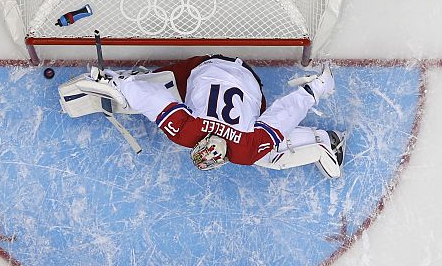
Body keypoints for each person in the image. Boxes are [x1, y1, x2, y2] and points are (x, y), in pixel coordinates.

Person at [70, 55, 346, 177]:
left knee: (267, 147)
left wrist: (316, 88)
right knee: (152, 100)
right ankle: (119, 80)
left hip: (248, 79)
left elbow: (283, 115)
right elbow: (151, 99)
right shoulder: (185, 132)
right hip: (205, 65)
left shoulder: (244, 151)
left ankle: (323, 141)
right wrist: (119, 85)